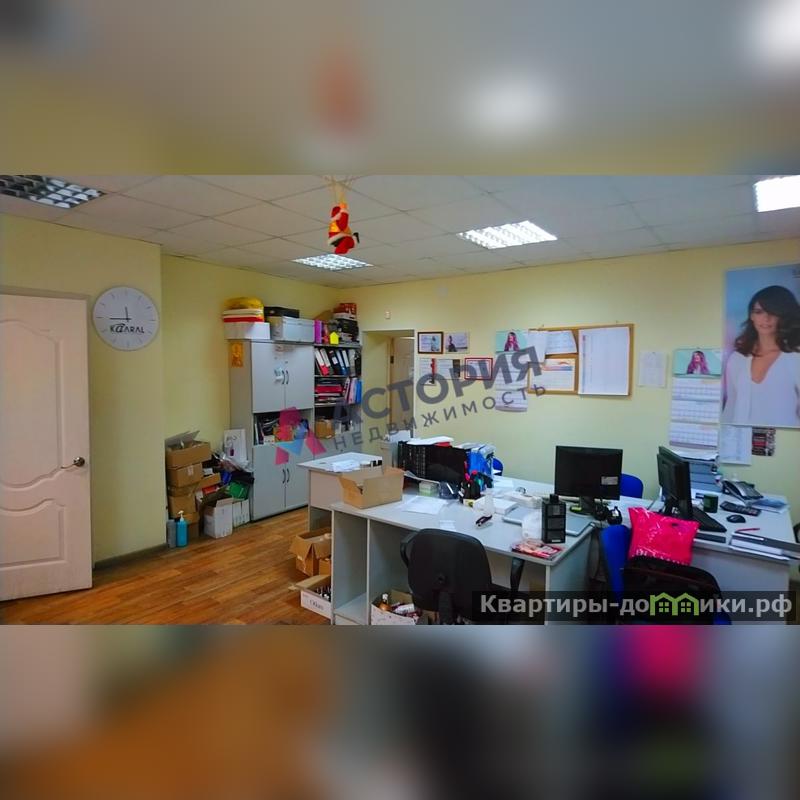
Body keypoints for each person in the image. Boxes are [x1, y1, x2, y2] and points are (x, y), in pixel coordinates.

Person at [722, 284, 800, 427]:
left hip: (785, 439)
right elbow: (731, 408)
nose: (766, 318)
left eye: (773, 312)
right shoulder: (737, 359)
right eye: (759, 312)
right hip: (740, 439)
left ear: (785, 315)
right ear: (751, 316)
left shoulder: (795, 357)